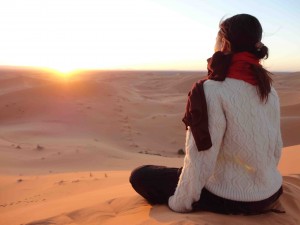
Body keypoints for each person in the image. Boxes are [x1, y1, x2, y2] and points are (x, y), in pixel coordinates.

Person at [129, 14, 284, 215]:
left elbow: (201, 157)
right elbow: (276, 148)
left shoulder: (212, 90)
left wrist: (181, 203)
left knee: (141, 176)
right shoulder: (269, 90)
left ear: (225, 44)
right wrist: (262, 182)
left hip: (233, 199)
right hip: (271, 191)